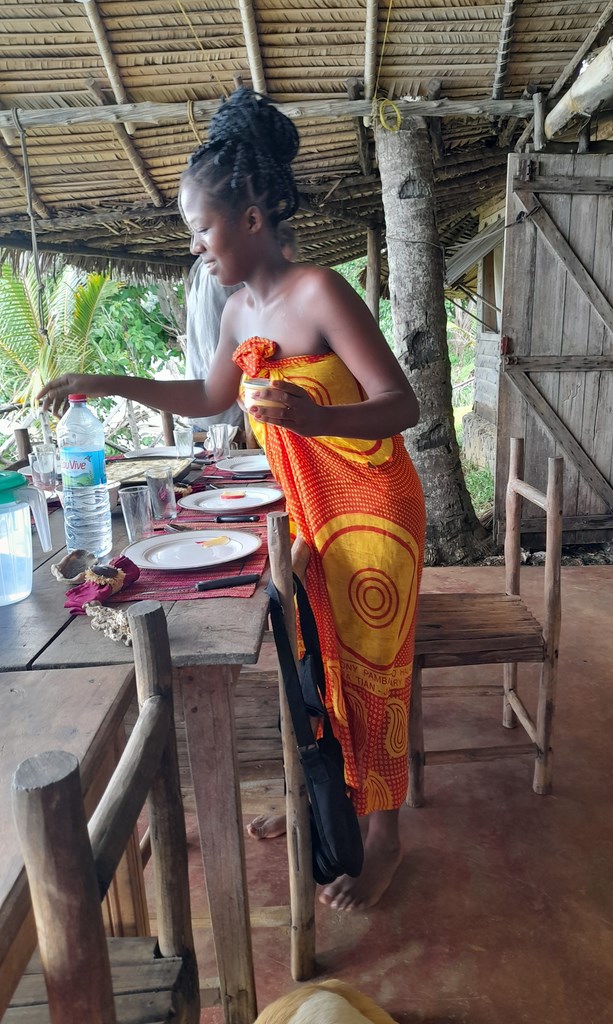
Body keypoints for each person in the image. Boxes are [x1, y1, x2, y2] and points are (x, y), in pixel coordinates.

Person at [39, 87, 426, 913]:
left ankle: (387, 838)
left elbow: (403, 405)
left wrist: (320, 416)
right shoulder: (239, 308)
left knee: (373, 675)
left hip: (373, 508)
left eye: (202, 228)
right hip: (312, 508)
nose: (197, 246)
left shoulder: (320, 292)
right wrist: (102, 381)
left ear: (251, 218)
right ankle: (323, 796)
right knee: (319, 658)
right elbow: (214, 396)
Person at [184, 221, 297, 432]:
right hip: (232, 414)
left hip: (230, 408)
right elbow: (214, 342)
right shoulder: (220, 278)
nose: (196, 247)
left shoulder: (226, 277)